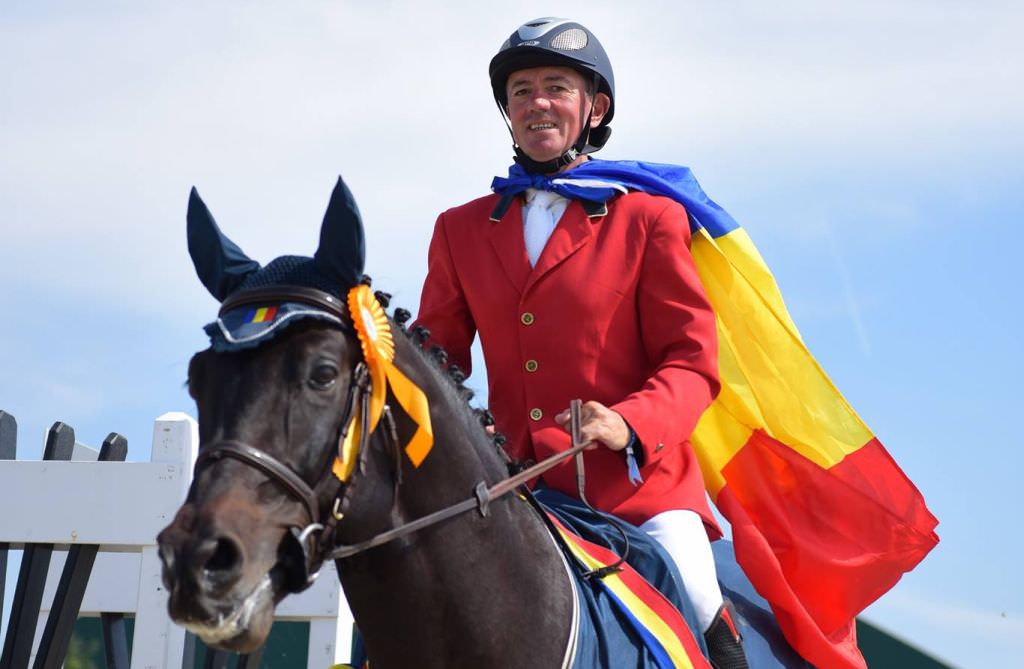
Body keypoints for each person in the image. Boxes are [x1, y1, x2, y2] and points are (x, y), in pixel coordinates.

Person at [415, 17, 748, 668]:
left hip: (639, 493)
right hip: (517, 494)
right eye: (521, 91)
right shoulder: (458, 230)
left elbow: (693, 362)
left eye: (556, 87)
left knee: (702, 601)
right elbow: (437, 366)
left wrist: (629, 422)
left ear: (594, 108)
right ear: (506, 112)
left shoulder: (648, 217)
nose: (537, 102)